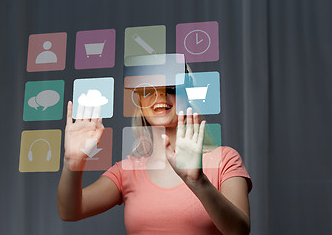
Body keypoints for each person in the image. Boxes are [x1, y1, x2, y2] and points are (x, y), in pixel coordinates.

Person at [57, 72, 252, 234]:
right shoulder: (127, 171)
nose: (160, 97)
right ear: (140, 105)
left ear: (189, 97)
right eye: (149, 90)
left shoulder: (224, 159)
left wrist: (198, 181)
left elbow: (239, 231)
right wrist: (72, 162)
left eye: (172, 88)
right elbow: (70, 211)